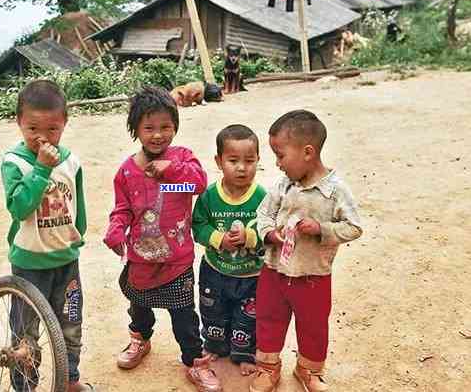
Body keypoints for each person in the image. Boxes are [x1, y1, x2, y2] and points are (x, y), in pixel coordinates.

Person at [103, 86, 222, 392]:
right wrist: (116, 228)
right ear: (135, 129)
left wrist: (173, 171)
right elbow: (124, 208)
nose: (158, 135)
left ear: (175, 126)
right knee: (138, 306)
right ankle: (139, 340)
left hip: (177, 258)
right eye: (149, 128)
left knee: (184, 314)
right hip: (141, 257)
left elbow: (197, 185)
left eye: (165, 127)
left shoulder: (183, 159)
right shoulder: (127, 171)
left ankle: (195, 361)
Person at [249, 110, 363, 392]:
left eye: (280, 155)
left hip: (313, 276)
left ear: (308, 152)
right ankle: (268, 368)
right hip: (274, 271)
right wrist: (269, 234)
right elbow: (262, 214)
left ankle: (308, 370)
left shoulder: (335, 191)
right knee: (268, 319)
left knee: (313, 327)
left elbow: (354, 227)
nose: (277, 163)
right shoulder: (282, 185)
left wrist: (323, 229)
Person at [0, 79, 94, 392]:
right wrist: (40, 169)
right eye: (33, 129)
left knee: (70, 324)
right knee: (25, 332)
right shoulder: (14, 162)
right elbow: (20, 207)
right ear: (19, 124)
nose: (42, 138)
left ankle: (70, 379)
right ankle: (24, 385)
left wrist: (78, 232)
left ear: (65, 123)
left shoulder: (71, 160)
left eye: (52, 129)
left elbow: (76, 201)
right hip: (29, 262)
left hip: (66, 258)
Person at [192, 124, 267, 376]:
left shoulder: (263, 197)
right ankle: (215, 345)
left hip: (251, 275)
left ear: (258, 160)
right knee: (213, 311)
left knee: (248, 317)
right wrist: (217, 238)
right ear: (219, 161)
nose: (242, 167)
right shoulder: (209, 195)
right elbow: (198, 225)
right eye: (233, 160)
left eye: (250, 160)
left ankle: (244, 353)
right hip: (215, 270)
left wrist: (250, 237)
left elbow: (271, 231)